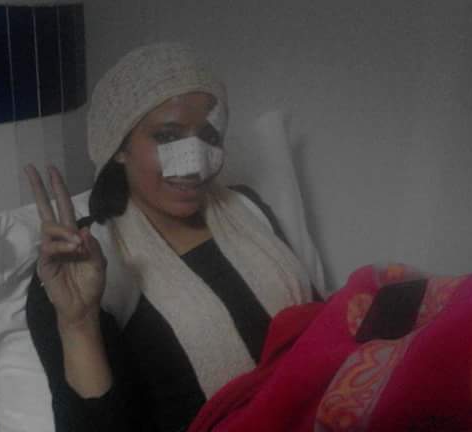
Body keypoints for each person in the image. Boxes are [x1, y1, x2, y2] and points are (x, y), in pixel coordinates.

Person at [24, 42, 317, 431]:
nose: (194, 163)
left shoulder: (248, 210)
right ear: (118, 146)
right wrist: (78, 324)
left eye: (209, 137)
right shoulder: (81, 266)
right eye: (167, 136)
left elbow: (320, 325)